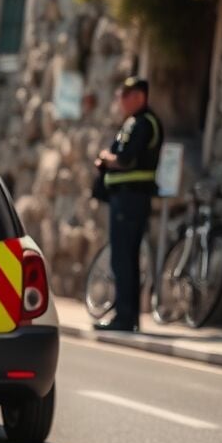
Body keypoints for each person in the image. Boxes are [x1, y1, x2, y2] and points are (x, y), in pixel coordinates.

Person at [94, 76, 163, 331]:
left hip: (131, 197)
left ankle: (124, 317)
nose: (121, 101)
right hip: (126, 197)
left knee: (124, 257)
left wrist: (105, 158)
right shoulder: (134, 122)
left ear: (140, 97)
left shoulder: (144, 123)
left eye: (126, 95)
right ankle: (126, 315)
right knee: (125, 257)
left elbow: (126, 159)